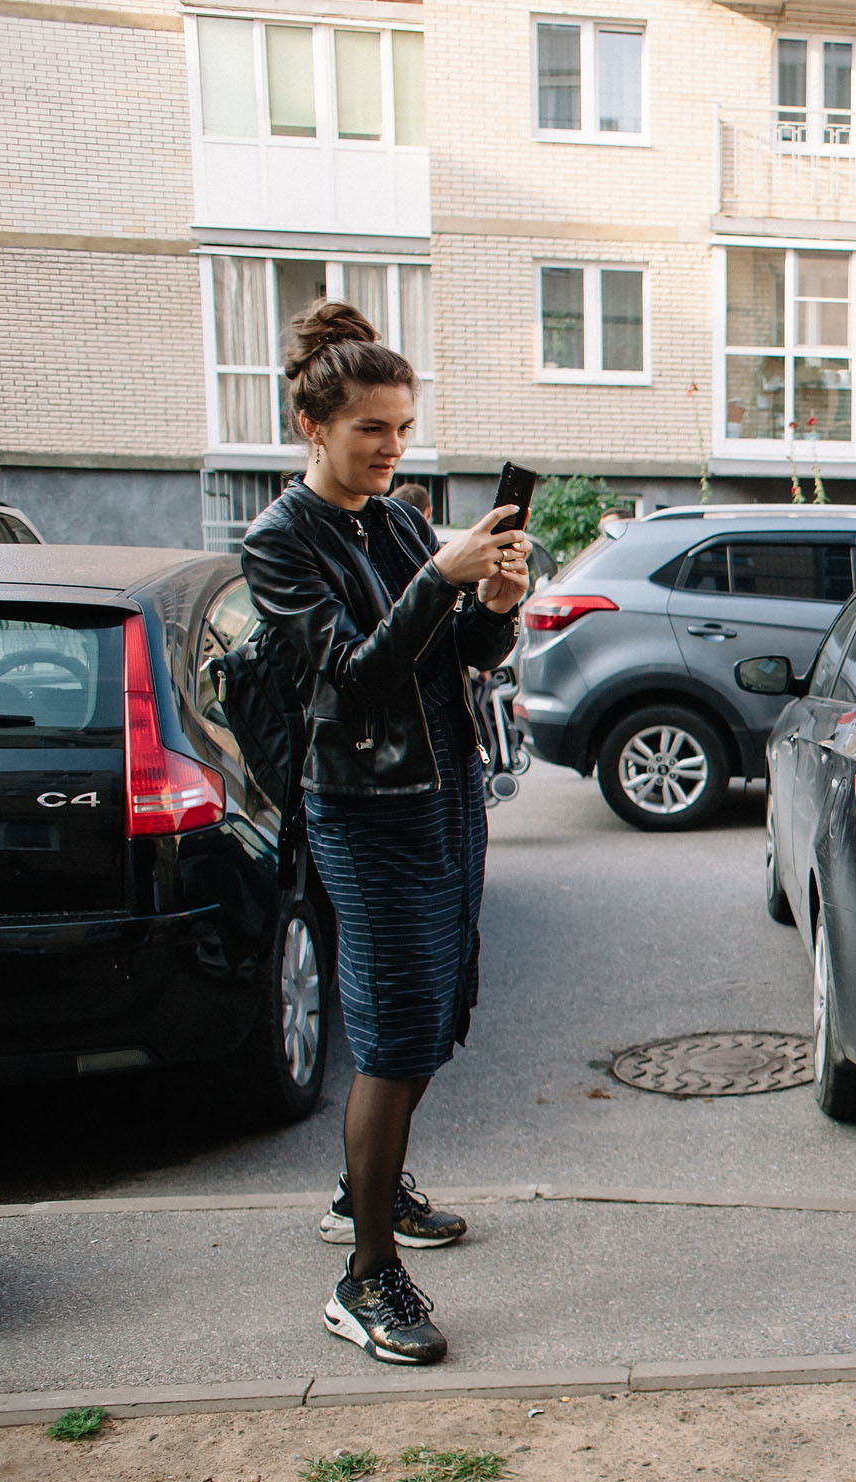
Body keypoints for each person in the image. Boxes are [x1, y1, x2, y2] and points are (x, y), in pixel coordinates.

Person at [240, 301, 530, 1366]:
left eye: (403, 429)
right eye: (372, 429)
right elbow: (354, 680)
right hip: (365, 811)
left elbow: (457, 654)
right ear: (312, 425)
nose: (392, 448)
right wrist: (439, 579)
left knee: (439, 1001)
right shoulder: (278, 541)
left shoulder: (401, 519)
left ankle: (372, 1185)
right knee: (397, 1026)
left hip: (444, 788)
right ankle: (365, 1274)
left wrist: (495, 601)